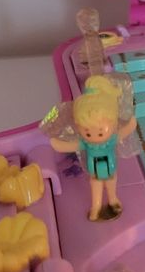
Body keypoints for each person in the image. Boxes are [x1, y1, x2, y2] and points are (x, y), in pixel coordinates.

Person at [49, 76, 136, 221]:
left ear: (114, 123)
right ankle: (96, 205)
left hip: (110, 165)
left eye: (100, 132)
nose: (94, 137)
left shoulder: (111, 139)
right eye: (88, 132)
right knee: (95, 183)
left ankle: (113, 199)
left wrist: (131, 123)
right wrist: (58, 145)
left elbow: (125, 131)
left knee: (111, 180)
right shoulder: (86, 143)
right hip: (94, 169)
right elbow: (72, 145)